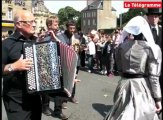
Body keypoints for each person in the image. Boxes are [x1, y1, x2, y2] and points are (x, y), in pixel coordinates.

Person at [104, 16, 162, 120]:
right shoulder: (152, 48)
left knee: (121, 114)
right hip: (141, 86)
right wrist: (158, 98)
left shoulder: (121, 47)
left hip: (123, 84)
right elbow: (154, 77)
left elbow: (120, 68)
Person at [2, 10, 42, 120]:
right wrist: (14, 66)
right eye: (30, 22)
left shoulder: (37, 42)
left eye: (35, 21)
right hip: (16, 100)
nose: (34, 24)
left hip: (35, 98)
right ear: (19, 24)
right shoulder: (6, 44)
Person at [39, 15, 69, 120]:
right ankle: (45, 107)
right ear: (49, 25)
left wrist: (54, 37)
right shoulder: (44, 36)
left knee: (59, 90)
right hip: (46, 67)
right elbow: (38, 49)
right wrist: (40, 38)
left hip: (58, 66)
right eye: (55, 24)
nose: (57, 25)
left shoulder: (60, 35)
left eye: (57, 23)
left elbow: (65, 47)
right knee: (46, 89)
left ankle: (58, 110)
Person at [146, 8, 162, 91]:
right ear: (148, 18)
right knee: (149, 90)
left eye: (156, 16)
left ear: (159, 18)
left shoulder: (161, 30)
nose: (154, 18)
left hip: (160, 66)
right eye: (151, 16)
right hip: (147, 67)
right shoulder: (142, 32)